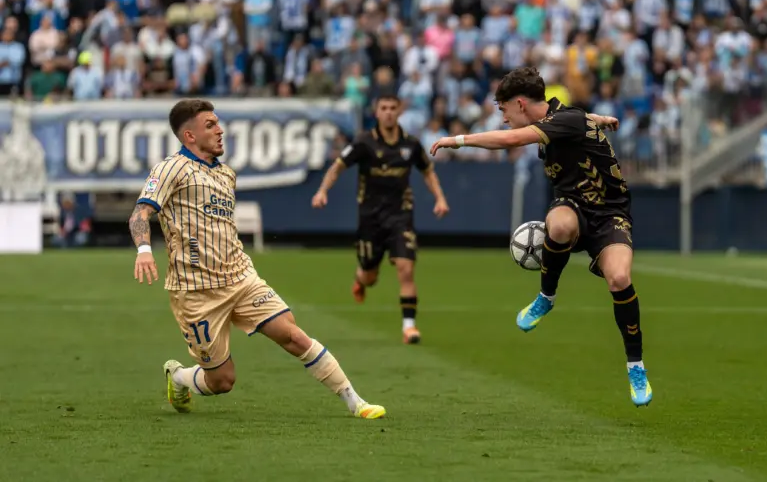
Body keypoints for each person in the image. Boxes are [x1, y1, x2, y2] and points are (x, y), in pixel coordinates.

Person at [130, 98, 386, 419]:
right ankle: (179, 377)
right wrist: (143, 250)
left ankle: (356, 402)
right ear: (189, 136)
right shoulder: (170, 168)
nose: (220, 130)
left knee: (293, 335)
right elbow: (140, 213)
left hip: (241, 278)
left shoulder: (226, 175)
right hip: (196, 292)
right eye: (210, 125)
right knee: (223, 381)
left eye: (218, 122)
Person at [430, 67, 652, 407]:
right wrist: (599, 118)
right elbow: (574, 118)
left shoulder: (561, 121)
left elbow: (513, 139)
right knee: (559, 225)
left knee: (620, 278)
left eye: (503, 110)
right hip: (572, 205)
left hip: (611, 215)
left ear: (520, 103)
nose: (503, 118)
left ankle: (635, 367)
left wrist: (457, 140)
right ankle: (546, 296)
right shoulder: (564, 117)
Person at [312, 94, 450, 344]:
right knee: (370, 276)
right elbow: (338, 166)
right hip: (370, 219)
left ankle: (409, 327)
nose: (388, 112)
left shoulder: (411, 144)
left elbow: (427, 172)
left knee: (406, 267)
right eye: (383, 108)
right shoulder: (364, 142)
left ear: (399, 112)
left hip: (400, 216)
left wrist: (440, 198)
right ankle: (360, 280)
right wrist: (322, 191)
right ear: (376, 112)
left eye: (392, 108)